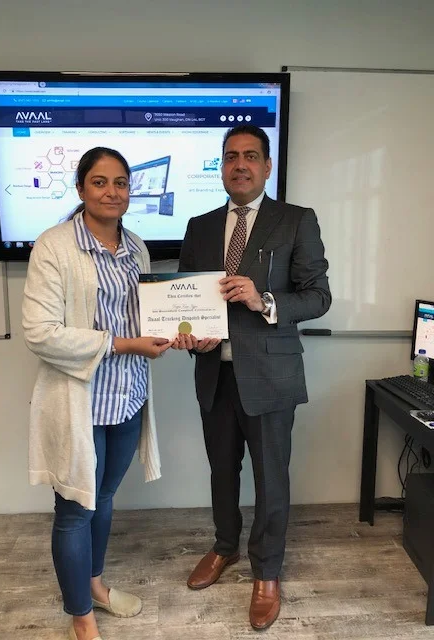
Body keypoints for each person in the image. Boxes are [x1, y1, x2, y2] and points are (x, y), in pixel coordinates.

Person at [174, 125, 331, 630]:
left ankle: (267, 571)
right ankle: (225, 547)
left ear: (266, 166)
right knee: (222, 470)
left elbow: (318, 296)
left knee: (270, 477)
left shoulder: (296, 220)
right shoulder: (199, 226)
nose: (239, 165)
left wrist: (264, 300)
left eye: (249, 156)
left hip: (270, 376)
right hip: (213, 374)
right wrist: (188, 335)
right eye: (230, 156)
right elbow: (185, 300)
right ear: (221, 167)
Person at [22, 147, 172, 640]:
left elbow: (146, 315)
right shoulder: (54, 245)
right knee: (75, 508)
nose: (112, 192)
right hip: (79, 403)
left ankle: (94, 586)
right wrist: (124, 344)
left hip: (128, 397)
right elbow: (40, 333)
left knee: (104, 497)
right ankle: (80, 617)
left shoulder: (138, 248)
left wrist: (180, 331)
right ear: (81, 188)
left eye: (121, 183)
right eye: (100, 182)